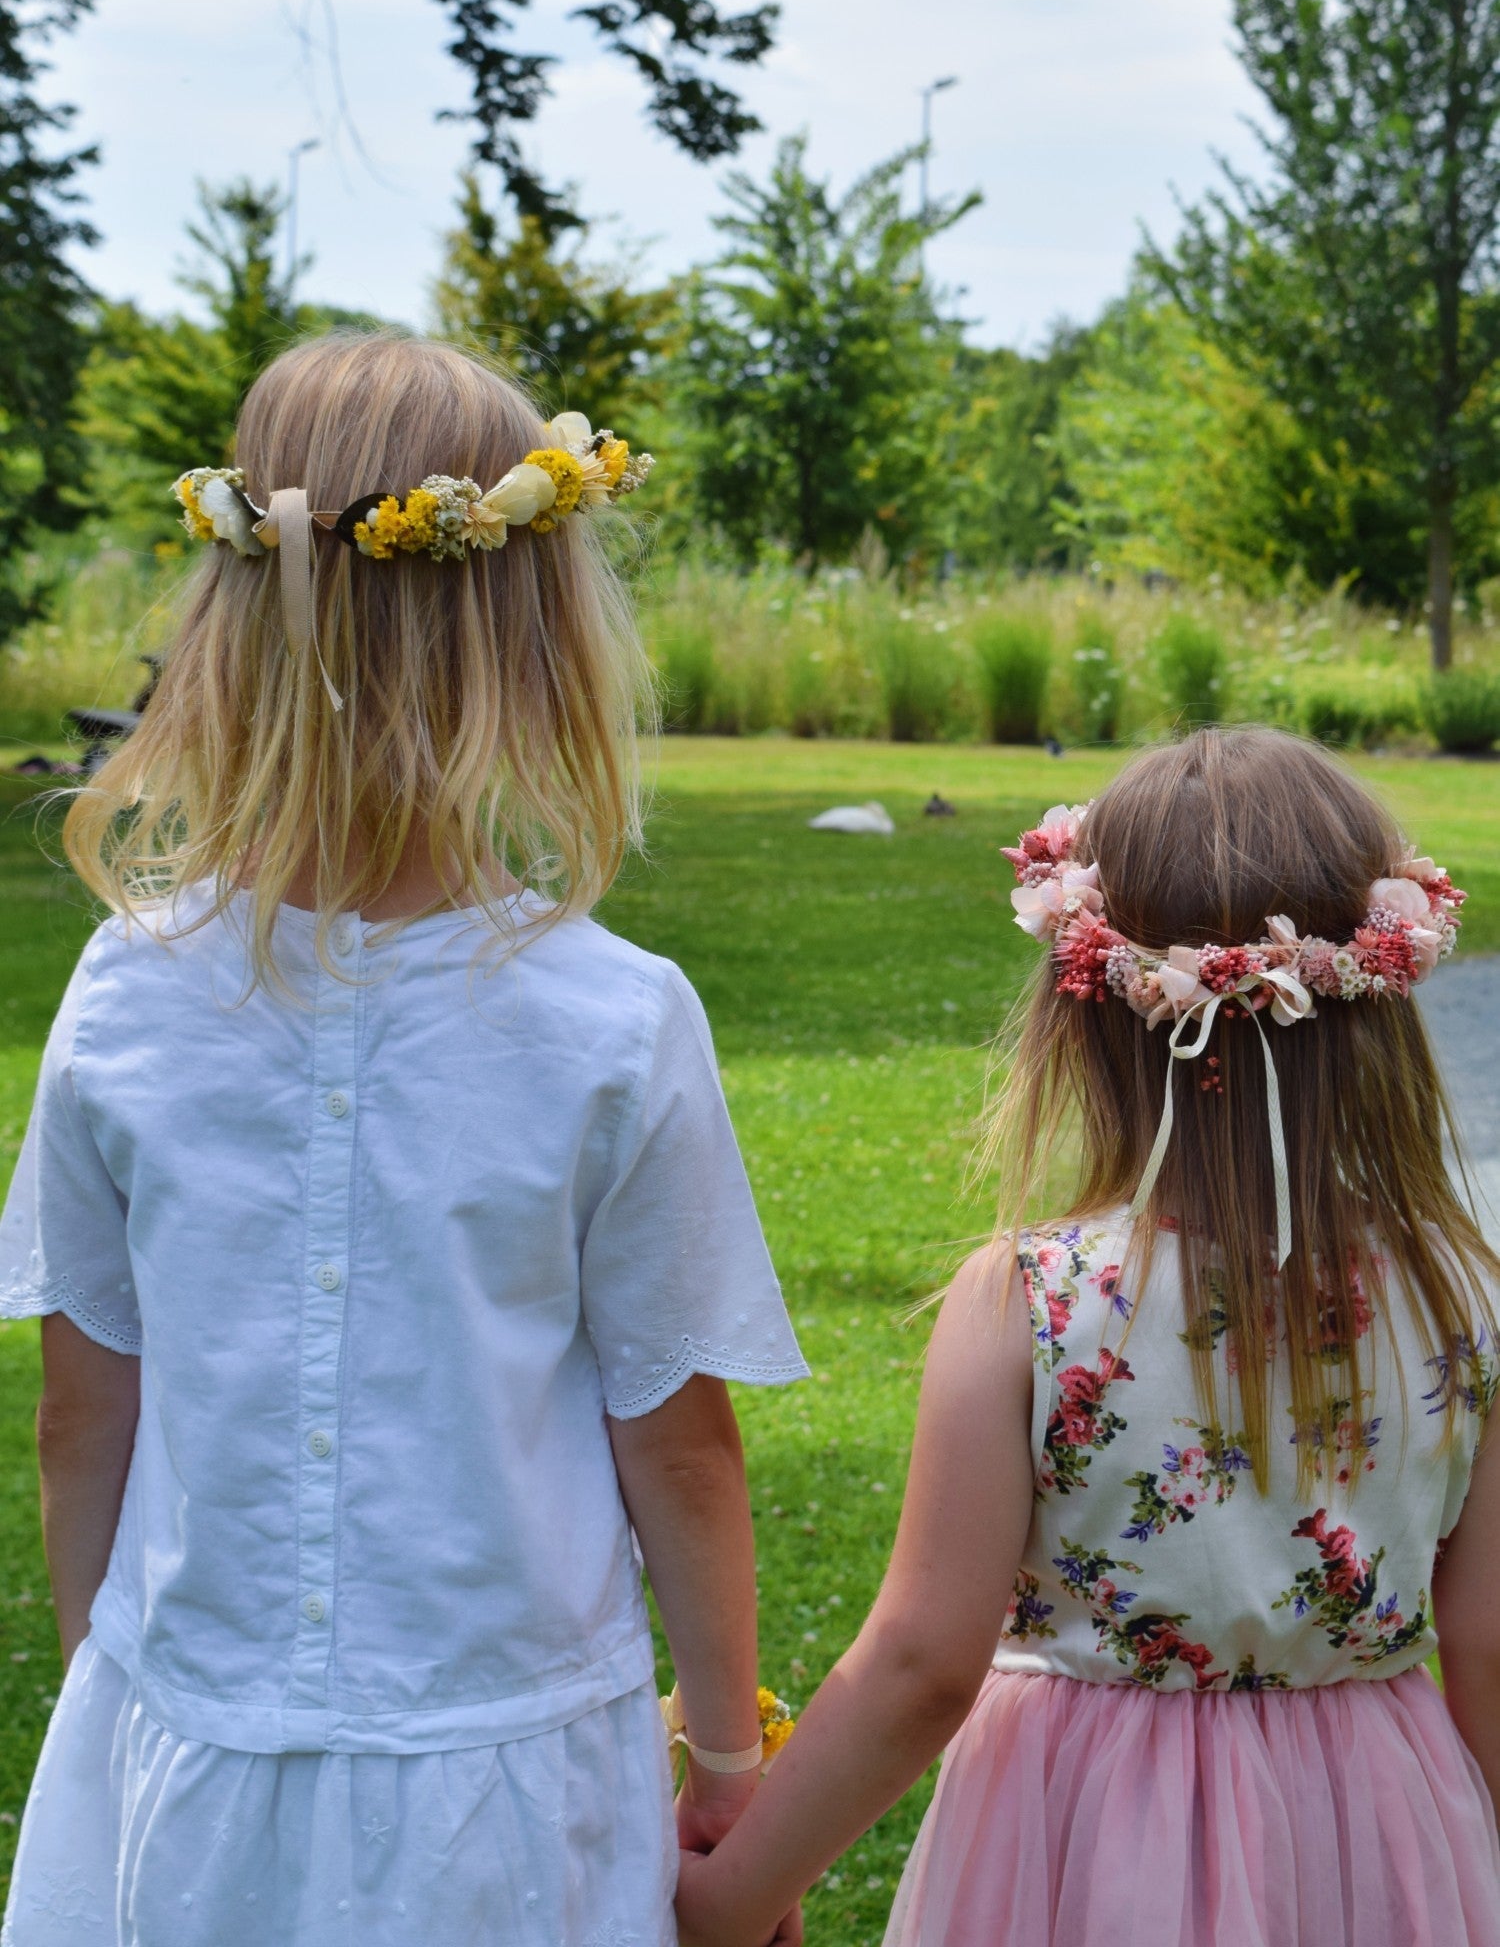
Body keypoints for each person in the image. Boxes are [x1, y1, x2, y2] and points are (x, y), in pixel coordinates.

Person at [0, 333, 809, 1947]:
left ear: (231, 623)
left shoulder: (122, 999)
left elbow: (82, 1408)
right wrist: (726, 1761)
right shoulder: (613, 1023)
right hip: (507, 1809)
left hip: (193, 1773)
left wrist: (124, 1694)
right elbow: (680, 1449)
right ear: (533, 647)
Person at [676, 727, 1500, 1947]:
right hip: (1374, 1819)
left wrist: (732, 1896)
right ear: (1378, 1006)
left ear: (1088, 1015)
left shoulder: (1033, 1299)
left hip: (1094, 1820)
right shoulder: (1463, 1300)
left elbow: (920, 1665)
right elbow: (1486, 1638)